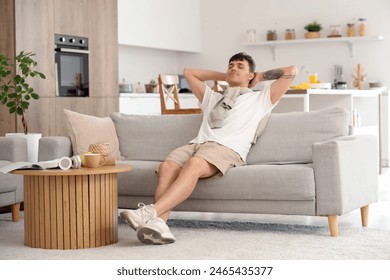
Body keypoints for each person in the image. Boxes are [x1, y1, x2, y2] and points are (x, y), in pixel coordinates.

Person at [120, 52, 297, 245]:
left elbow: (290, 71)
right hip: (198, 144)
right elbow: (189, 73)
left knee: (194, 164)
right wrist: (227, 76)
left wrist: (258, 77)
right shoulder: (213, 98)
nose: (233, 68)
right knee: (167, 167)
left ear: (250, 75)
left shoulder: (261, 99)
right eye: (231, 65)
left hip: (227, 148)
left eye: (240, 66)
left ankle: (149, 213)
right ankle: (160, 225)